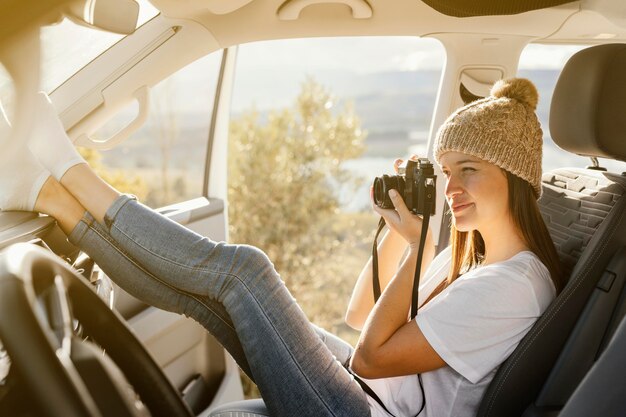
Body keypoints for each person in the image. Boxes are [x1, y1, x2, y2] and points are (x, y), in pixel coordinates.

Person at [0, 77, 563, 417]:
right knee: (209, 301)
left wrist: (420, 252)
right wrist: (403, 239)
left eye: (470, 168)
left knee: (246, 271)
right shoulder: (476, 258)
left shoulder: (515, 285)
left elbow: (369, 356)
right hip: (368, 395)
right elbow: (360, 316)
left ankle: (72, 170)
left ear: (516, 175)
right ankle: (51, 194)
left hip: (366, 408)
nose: (452, 187)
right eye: (445, 172)